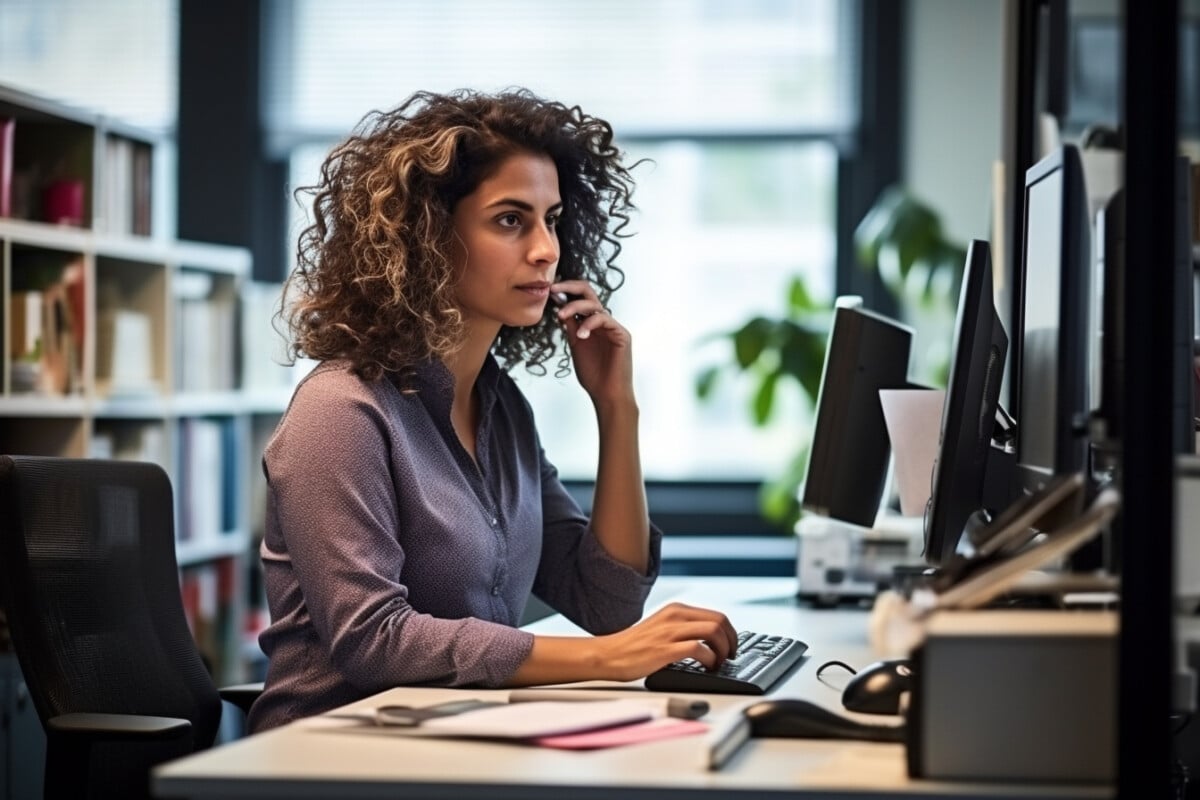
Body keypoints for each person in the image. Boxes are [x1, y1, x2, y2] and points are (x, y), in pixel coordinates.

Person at [248, 88, 738, 733]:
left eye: (552, 219)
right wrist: (608, 658)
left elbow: (606, 600)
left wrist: (617, 409)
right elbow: (372, 640)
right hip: (329, 755)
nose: (546, 249)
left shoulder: (501, 408)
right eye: (511, 220)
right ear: (424, 237)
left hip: (466, 737)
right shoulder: (342, 411)